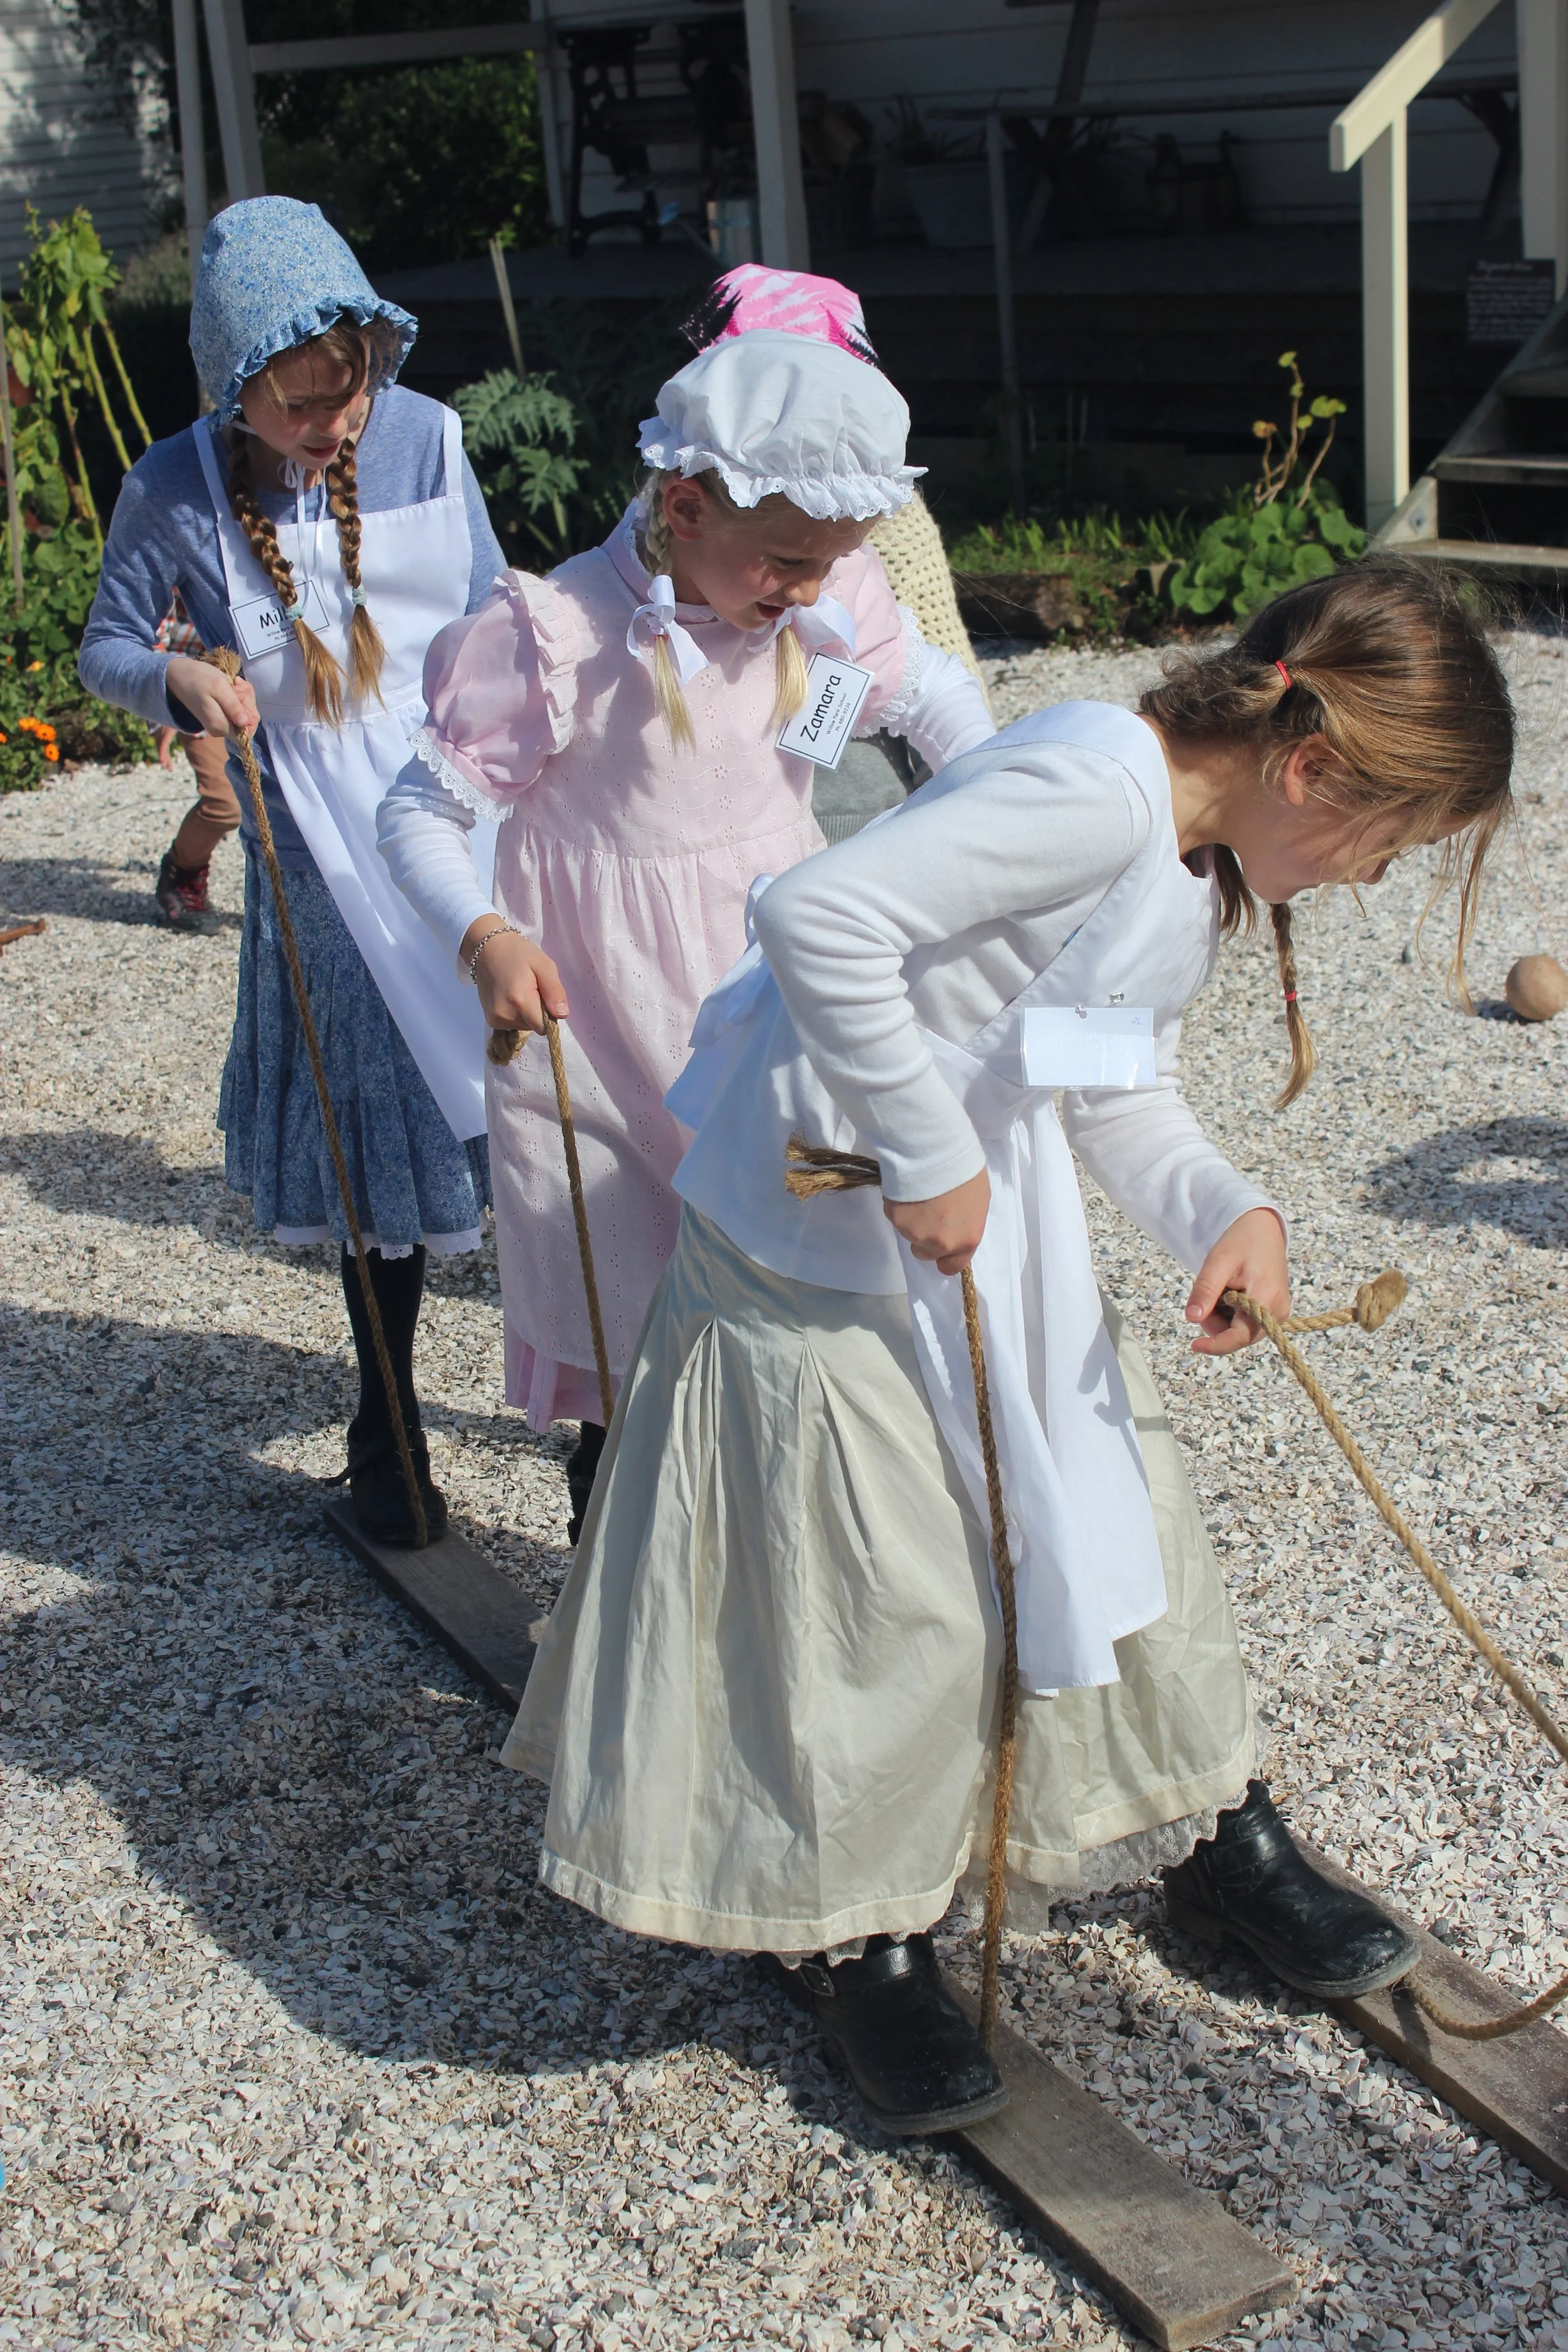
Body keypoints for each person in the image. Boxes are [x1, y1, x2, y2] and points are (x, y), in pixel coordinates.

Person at [502, 559, 1513, 2135]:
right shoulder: (1088, 791)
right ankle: (868, 1926)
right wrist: (920, 1145)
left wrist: (1220, 1210)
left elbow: (1100, 1073)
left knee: (1117, 1508)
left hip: (980, 1221)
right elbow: (814, 911)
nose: (1379, 879)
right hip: (821, 1226)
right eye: (1393, 840)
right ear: (1311, 763)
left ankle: (1206, 1827)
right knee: (881, 1590)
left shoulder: (1186, 850)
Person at [378, 265, 995, 1540]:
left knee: (799, 1298)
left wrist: (992, 800)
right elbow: (416, 811)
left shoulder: (808, 616)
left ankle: (776, 1596)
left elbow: (898, 707)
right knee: (632, 1350)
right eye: (784, 562)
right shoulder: (556, 639)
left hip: (768, 1028)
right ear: (681, 503)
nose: (809, 591)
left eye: (829, 565)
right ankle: (617, 1629)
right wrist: (483, 932)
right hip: (597, 1051)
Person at [79, 198, 508, 1545]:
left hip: (462, 809)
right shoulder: (173, 486)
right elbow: (103, 648)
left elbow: (498, 616)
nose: (341, 422)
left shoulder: (425, 435)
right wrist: (181, 673)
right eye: (305, 403)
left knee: (530, 1100)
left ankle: (588, 1432)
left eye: (355, 384)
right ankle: (387, 1432)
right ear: (235, 388)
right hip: (320, 852)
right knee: (379, 1128)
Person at [150, 592, 244, 933]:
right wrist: (165, 710)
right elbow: (150, 640)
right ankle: (181, 873)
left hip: (271, 694)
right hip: (203, 702)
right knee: (225, 804)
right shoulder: (178, 558)